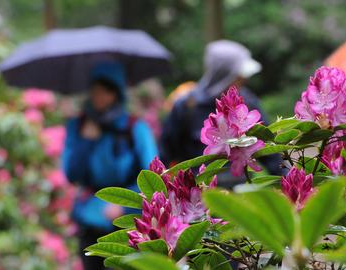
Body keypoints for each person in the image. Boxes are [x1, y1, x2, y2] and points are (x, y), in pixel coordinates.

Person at [62, 62, 158, 269]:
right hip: (90, 220)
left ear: (117, 93)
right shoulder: (78, 126)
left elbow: (152, 178)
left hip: (127, 223)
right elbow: (71, 174)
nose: (99, 97)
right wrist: (86, 142)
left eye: (106, 91)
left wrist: (122, 203)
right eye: (95, 91)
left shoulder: (134, 128)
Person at [160, 40, 284, 187]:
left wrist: (288, 182)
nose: (244, 79)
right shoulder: (186, 106)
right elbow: (165, 154)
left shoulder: (248, 101)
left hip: (241, 194)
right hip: (200, 193)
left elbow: (270, 153)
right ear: (224, 74)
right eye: (239, 75)